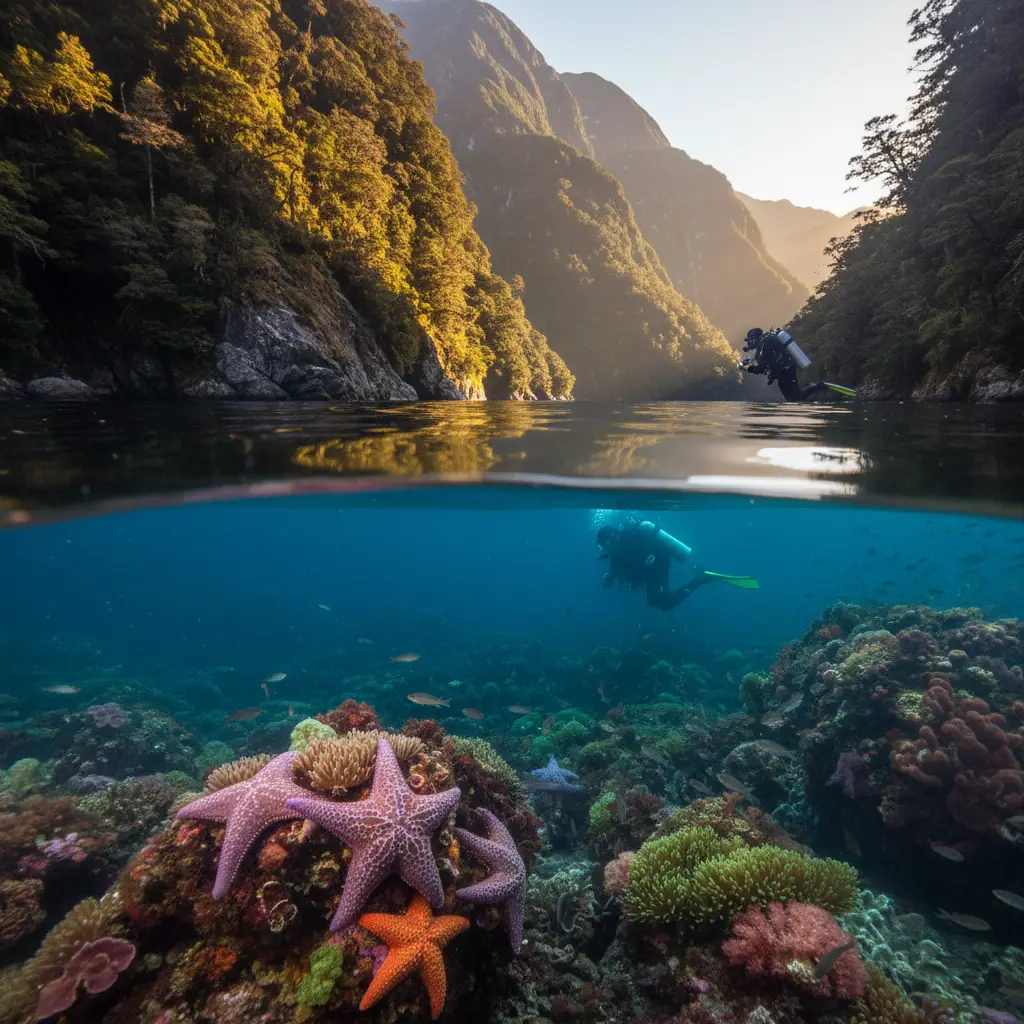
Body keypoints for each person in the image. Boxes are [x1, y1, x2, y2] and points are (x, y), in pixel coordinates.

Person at [596, 521, 758, 611]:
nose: (605, 550)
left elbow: (620, 571)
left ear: (608, 542)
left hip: (657, 565)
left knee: (663, 603)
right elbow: (618, 573)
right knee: (658, 602)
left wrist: (610, 578)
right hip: (658, 563)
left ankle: (700, 579)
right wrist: (609, 578)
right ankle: (697, 572)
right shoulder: (621, 546)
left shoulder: (619, 548)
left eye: (604, 546)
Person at [740, 327, 830, 402]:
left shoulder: (765, 343)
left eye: (750, 340)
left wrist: (747, 367)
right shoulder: (763, 344)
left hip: (787, 370)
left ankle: (817, 386)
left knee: (797, 397)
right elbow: (760, 366)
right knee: (792, 400)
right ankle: (815, 387)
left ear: (754, 338)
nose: (749, 343)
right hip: (782, 373)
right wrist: (749, 366)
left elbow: (760, 368)